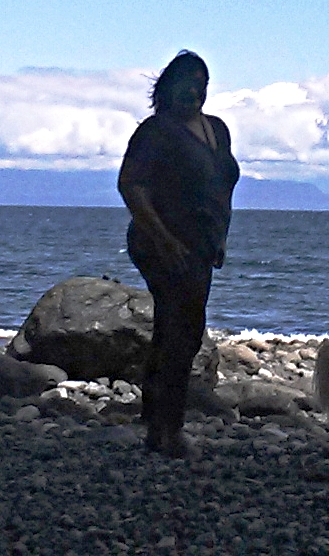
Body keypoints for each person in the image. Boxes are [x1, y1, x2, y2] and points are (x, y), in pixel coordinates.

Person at [117, 50, 239, 458]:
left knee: (177, 330)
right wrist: (164, 239)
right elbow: (130, 186)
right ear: (167, 87)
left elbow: (222, 186)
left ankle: (157, 422)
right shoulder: (156, 132)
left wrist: (220, 236)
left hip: (202, 244)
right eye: (186, 82)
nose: (195, 90)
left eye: (202, 82)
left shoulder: (217, 130)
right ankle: (168, 429)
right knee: (182, 330)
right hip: (161, 242)